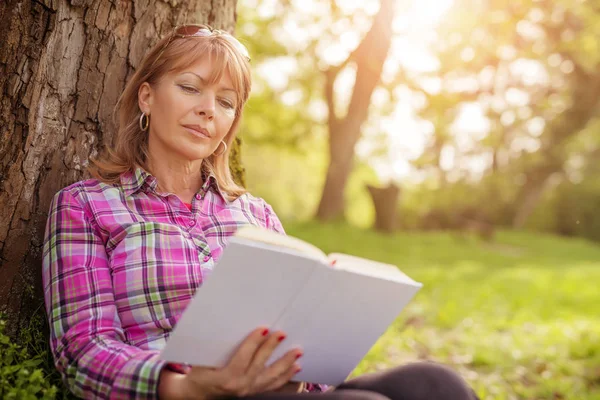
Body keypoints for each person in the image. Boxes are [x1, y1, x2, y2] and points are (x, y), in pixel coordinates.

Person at [42, 24, 479, 400]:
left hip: (275, 390)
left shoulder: (255, 214)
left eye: (226, 101)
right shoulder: (86, 205)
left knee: (436, 383)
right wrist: (188, 388)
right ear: (147, 97)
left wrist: (302, 369)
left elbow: (302, 333)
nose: (207, 109)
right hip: (183, 394)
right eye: (190, 87)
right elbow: (83, 351)